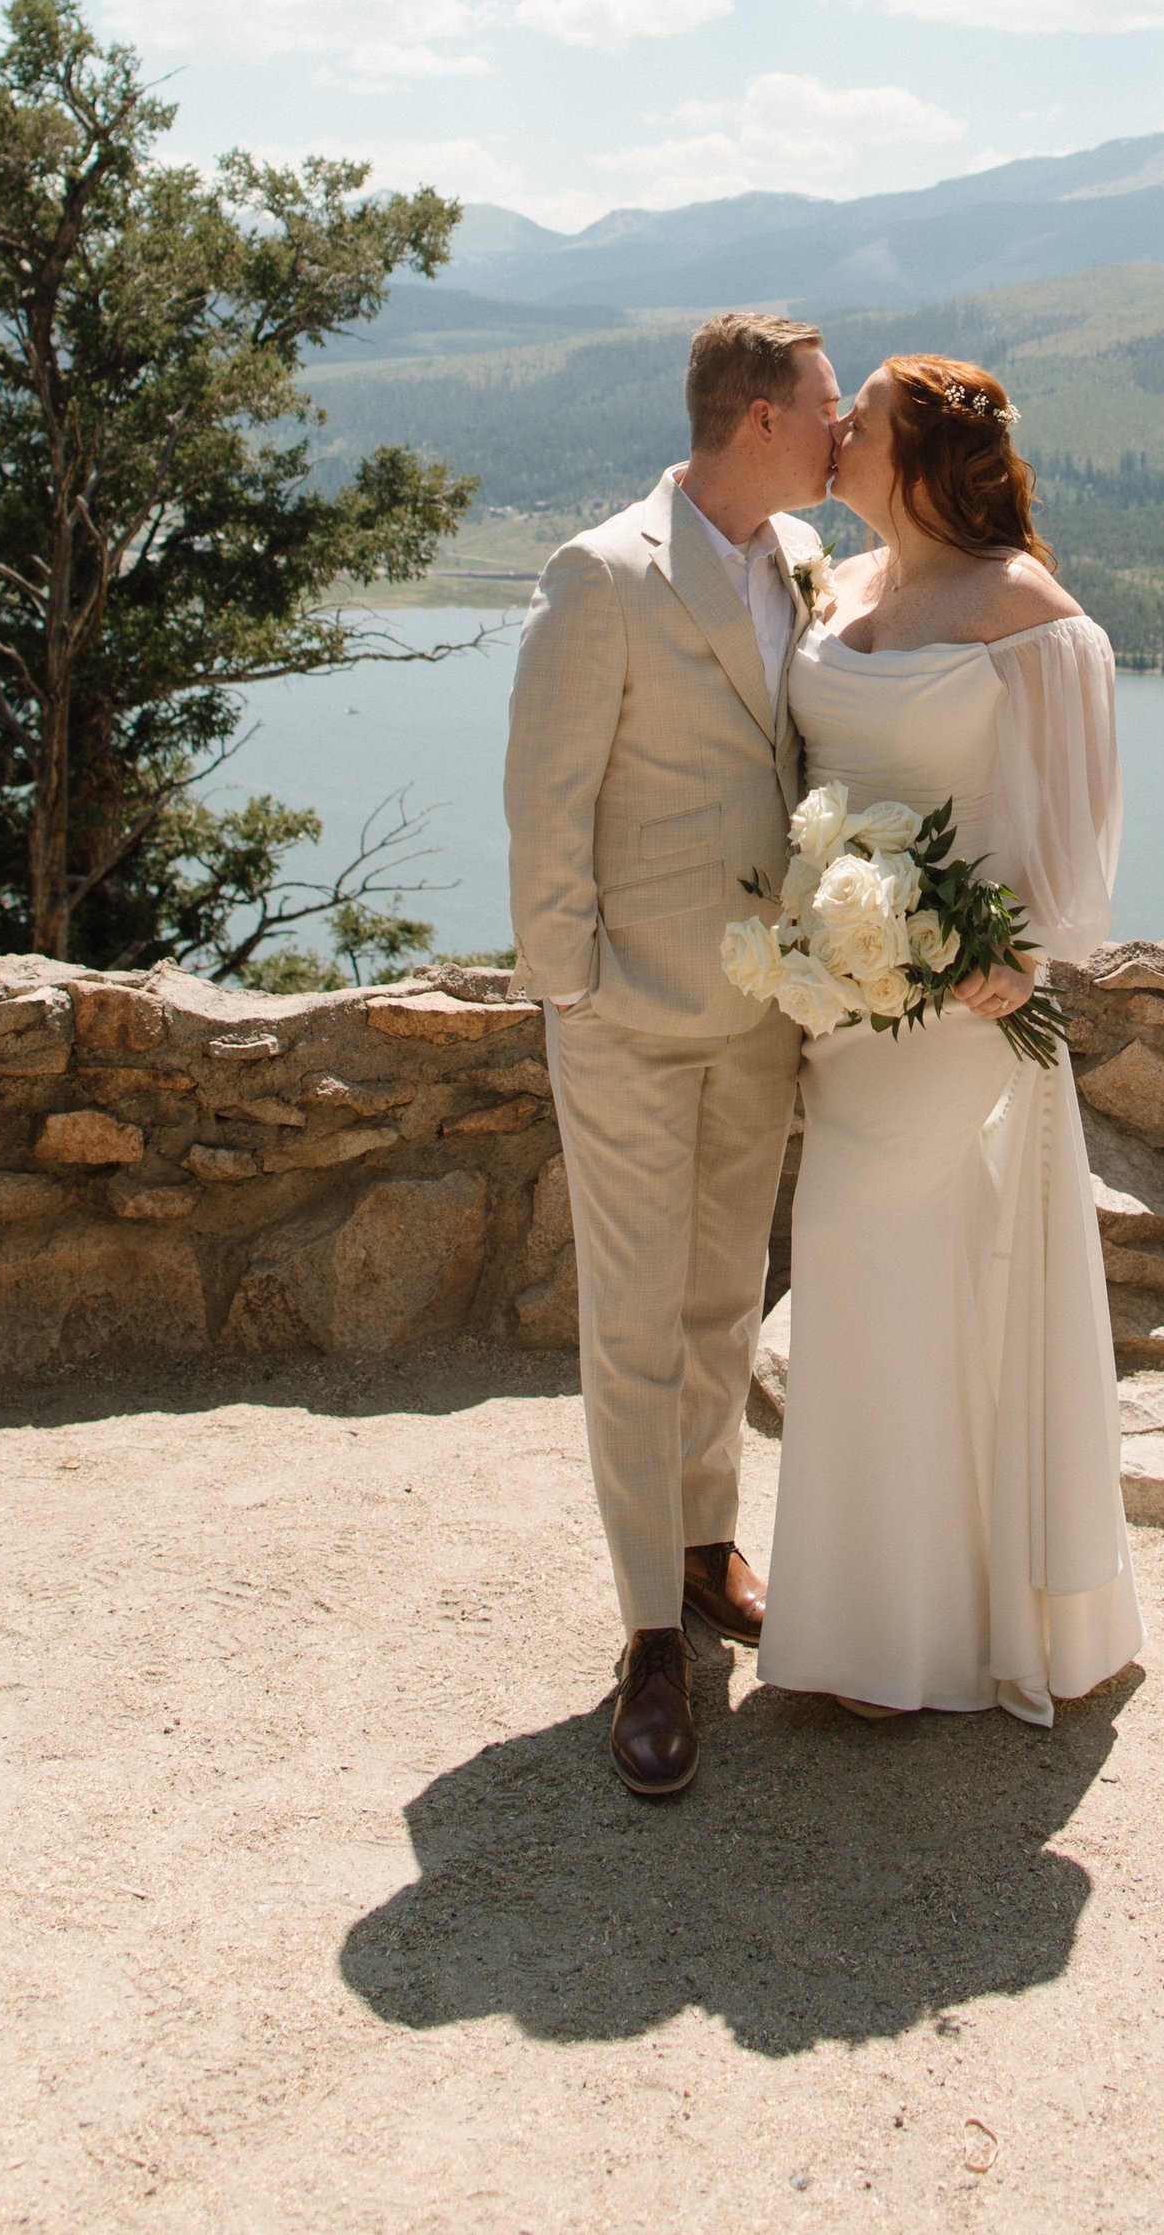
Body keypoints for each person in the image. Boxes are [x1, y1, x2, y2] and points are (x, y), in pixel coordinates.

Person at [755, 353, 1142, 1726]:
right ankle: (859, 1620)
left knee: (911, 1275)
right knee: (855, 1283)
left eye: (864, 416)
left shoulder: (1021, 605)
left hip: (957, 1002)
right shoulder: (836, 582)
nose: (839, 429)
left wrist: (1011, 953)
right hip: (845, 1004)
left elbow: (1072, 825)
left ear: (918, 454)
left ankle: (918, 1644)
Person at [503, 308, 841, 1799]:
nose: (845, 434)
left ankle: (707, 1547)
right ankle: (649, 1635)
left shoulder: (796, 565)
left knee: (717, 1305)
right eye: (828, 407)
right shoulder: (602, 575)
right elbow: (545, 799)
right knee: (634, 1327)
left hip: (759, 1019)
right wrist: (574, 994)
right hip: (632, 1019)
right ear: (760, 417)